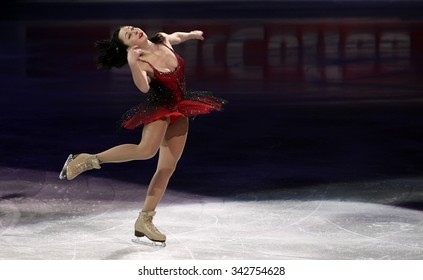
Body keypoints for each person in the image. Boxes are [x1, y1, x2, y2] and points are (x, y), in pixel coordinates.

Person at [59, 26, 226, 245]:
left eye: (131, 28)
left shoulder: (162, 39)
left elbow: (177, 37)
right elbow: (144, 87)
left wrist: (191, 36)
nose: (133, 31)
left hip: (180, 108)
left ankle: (144, 221)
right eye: (128, 35)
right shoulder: (141, 62)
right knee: (145, 150)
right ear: (129, 47)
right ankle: (87, 160)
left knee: (167, 167)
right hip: (159, 110)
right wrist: (132, 63)